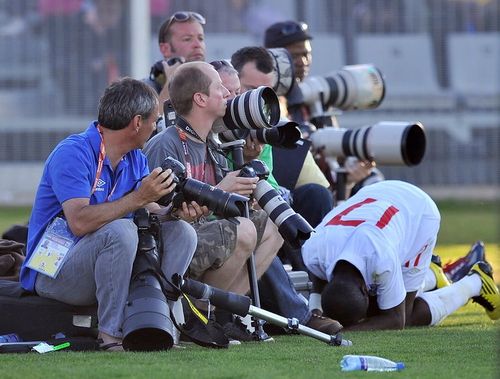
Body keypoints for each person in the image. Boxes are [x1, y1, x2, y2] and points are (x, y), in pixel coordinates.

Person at [19, 78, 198, 351]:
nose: (157, 127)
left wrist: (176, 212)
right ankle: (110, 336)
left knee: (182, 232)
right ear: (137, 123)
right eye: (155, 120)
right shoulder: (73, 152)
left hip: (103, 264)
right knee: (120, 231)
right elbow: (79, 222)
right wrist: (139, 197)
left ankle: (164, 328)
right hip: (54, 270)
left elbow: (148, 211)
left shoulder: (134, 158)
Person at [143, 61, 289, 338]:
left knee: (274, 223)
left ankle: (223, 314)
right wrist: (222, 189)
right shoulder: (166, 143)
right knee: (244, 229)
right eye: (220, 88)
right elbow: (150, 208)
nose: (228, 95)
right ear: (200, 99)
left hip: (204, 233)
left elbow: (222, 203)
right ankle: (197, 316)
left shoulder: (212, 142)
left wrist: (246, 196)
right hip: (172, 244)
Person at [210, 59, 343, 336]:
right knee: (257, 224)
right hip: (217, 219)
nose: (239, 102)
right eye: (230, 93)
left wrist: (249, 159)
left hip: (255, 207)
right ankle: (297, 314)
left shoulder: (253, 127)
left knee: (304, 201)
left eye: (239, 94)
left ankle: (331, 295)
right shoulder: (204, 132)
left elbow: (267, 182)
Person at [301, 180, 500, 330]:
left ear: (365, 289)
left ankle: (475, 283)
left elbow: (397, 320)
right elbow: (318, 278)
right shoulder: (313, 250)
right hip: (377, 194)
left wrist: (347, 330)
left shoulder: (382, 260)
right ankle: (431, 276)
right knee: (380, 309)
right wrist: (316, 312)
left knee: (408, 314)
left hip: (420, 212)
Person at [263, 20, 383, 199]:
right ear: (273, 59)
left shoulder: (316, 99)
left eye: (306, 54)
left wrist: (350, 171)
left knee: (374, 182)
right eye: (293, 56)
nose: (302, 62)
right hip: (290, 193)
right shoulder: (266, 102)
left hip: (326, 188)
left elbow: (335, 150)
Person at [146, 11, 207, 111]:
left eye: (200, 38)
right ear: (165, 49)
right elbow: (152, 125)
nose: (197, 44)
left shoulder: (218, 85)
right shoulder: (144, 90)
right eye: (187, 39)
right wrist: (170, 85)